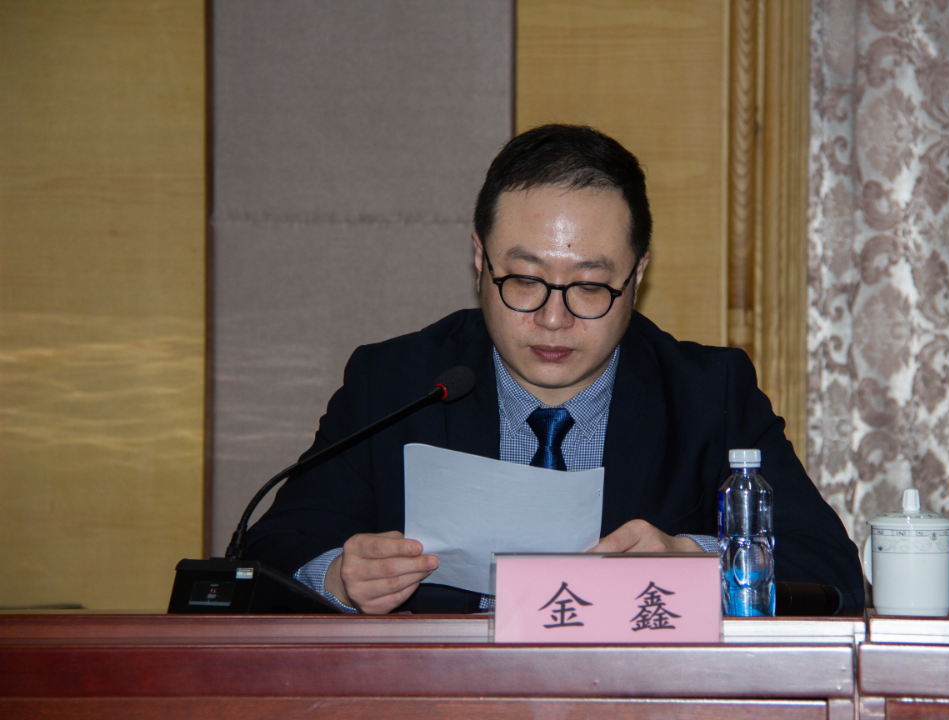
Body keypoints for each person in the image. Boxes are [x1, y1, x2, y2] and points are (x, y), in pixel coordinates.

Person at [245, 124, 864, 614]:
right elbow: (266, 555)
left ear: (637, 275)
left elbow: (832, 573)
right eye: (524, 279)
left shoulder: (708, 394)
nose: (552, 318)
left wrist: (700, 564)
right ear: (480, 258)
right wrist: (337, 577)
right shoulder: (393, 384)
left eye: (590, 286)